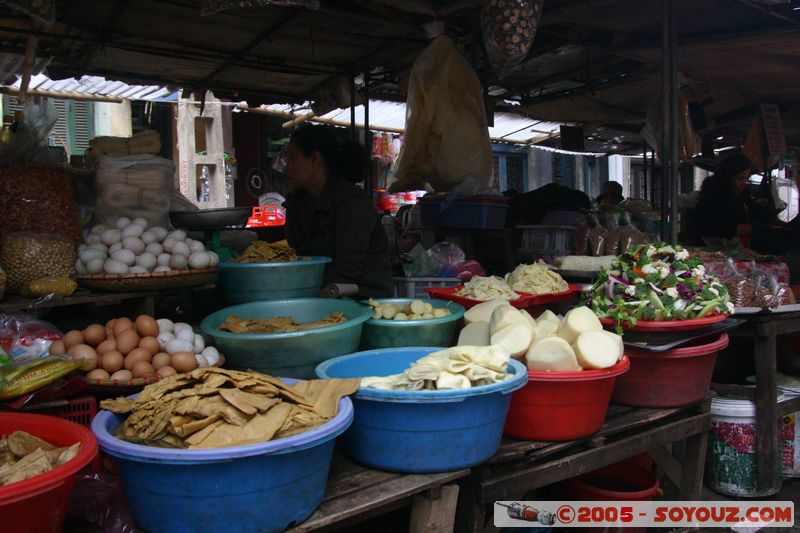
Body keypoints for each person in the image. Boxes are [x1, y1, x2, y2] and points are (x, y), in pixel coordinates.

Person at [283, 124, 393, 298]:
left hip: (364, 301)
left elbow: (346, 274)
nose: (286, 167)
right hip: (316, 296)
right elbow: (294, 258)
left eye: (291, 158)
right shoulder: (297, 204)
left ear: (314, 159)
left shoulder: (352, 204)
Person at [692, 151, 759, 246]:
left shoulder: (742, 196)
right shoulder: (713, 196)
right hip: (710, 247)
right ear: (727, 177)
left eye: (746, 178)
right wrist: (751, 229)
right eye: (740, 178)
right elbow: (716, 227)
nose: (743, 183)